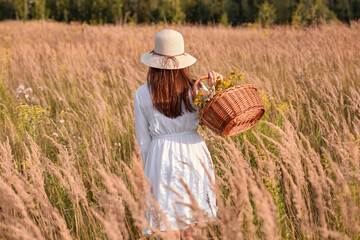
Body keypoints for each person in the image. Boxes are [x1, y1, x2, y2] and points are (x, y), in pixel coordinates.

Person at [134, 29, 222, 239]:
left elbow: (143, 142)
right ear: (183, 62)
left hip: (160, 156)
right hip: (193, 153)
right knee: (191, 224)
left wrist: (149, 173)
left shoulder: (142, 93)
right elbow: (219, 120)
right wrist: (216, 89)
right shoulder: (197, 88)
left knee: (166, 224)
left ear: (154, 62)